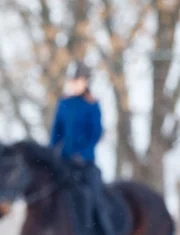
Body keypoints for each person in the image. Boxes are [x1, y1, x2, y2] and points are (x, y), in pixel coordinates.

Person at [49, 60, 114, 235]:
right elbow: (56, 131)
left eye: (77, 80)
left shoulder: (92, 105)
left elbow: (95, 134)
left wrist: (81, 155)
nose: (73, 84)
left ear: (85, 81)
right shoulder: (64, 103)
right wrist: (51, 152)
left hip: (84, 163)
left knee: (93, 197)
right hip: (63, 161)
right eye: (71, 80)